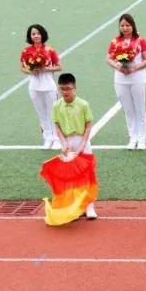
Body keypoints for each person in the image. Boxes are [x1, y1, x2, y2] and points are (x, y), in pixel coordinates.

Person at [51, 73, 96, 220]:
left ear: (75, 88)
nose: (65, 92)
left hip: (82, 140)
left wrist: (82, 145)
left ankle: (89, 206)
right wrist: (63, 144)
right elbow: (57, 126)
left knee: (86, 174)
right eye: (62, 89)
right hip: (67, 142)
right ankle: (76, 207)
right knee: (70, 177)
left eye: (68, 89)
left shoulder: (83, 104)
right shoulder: (56, 105)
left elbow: (88, 125)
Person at [106, 14, 146, 150]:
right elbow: (108, 58)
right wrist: (118, 67)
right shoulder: (115, 42)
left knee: (140, 109)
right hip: (120, 79)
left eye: (127, 25)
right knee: (128, 110)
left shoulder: (140, 40)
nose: (125, 28)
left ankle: (142, 139)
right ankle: (133, 138)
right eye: (122, 25)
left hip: (138, 78)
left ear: (132, 26)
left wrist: (134, 68)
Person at [20, 24, 62, 149]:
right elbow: (22, 68)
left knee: (52, 112)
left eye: (38, 33)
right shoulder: (26, 51)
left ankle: (57, 138)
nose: (36, 36)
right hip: (34, 86)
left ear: (42, 34)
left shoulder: (49, 50)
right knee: (41, 113)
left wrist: (46, 69)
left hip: (49, 85)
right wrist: (31, 71)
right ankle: (47, 138)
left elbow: (59, 66)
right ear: (30, 36)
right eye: (33, 34)